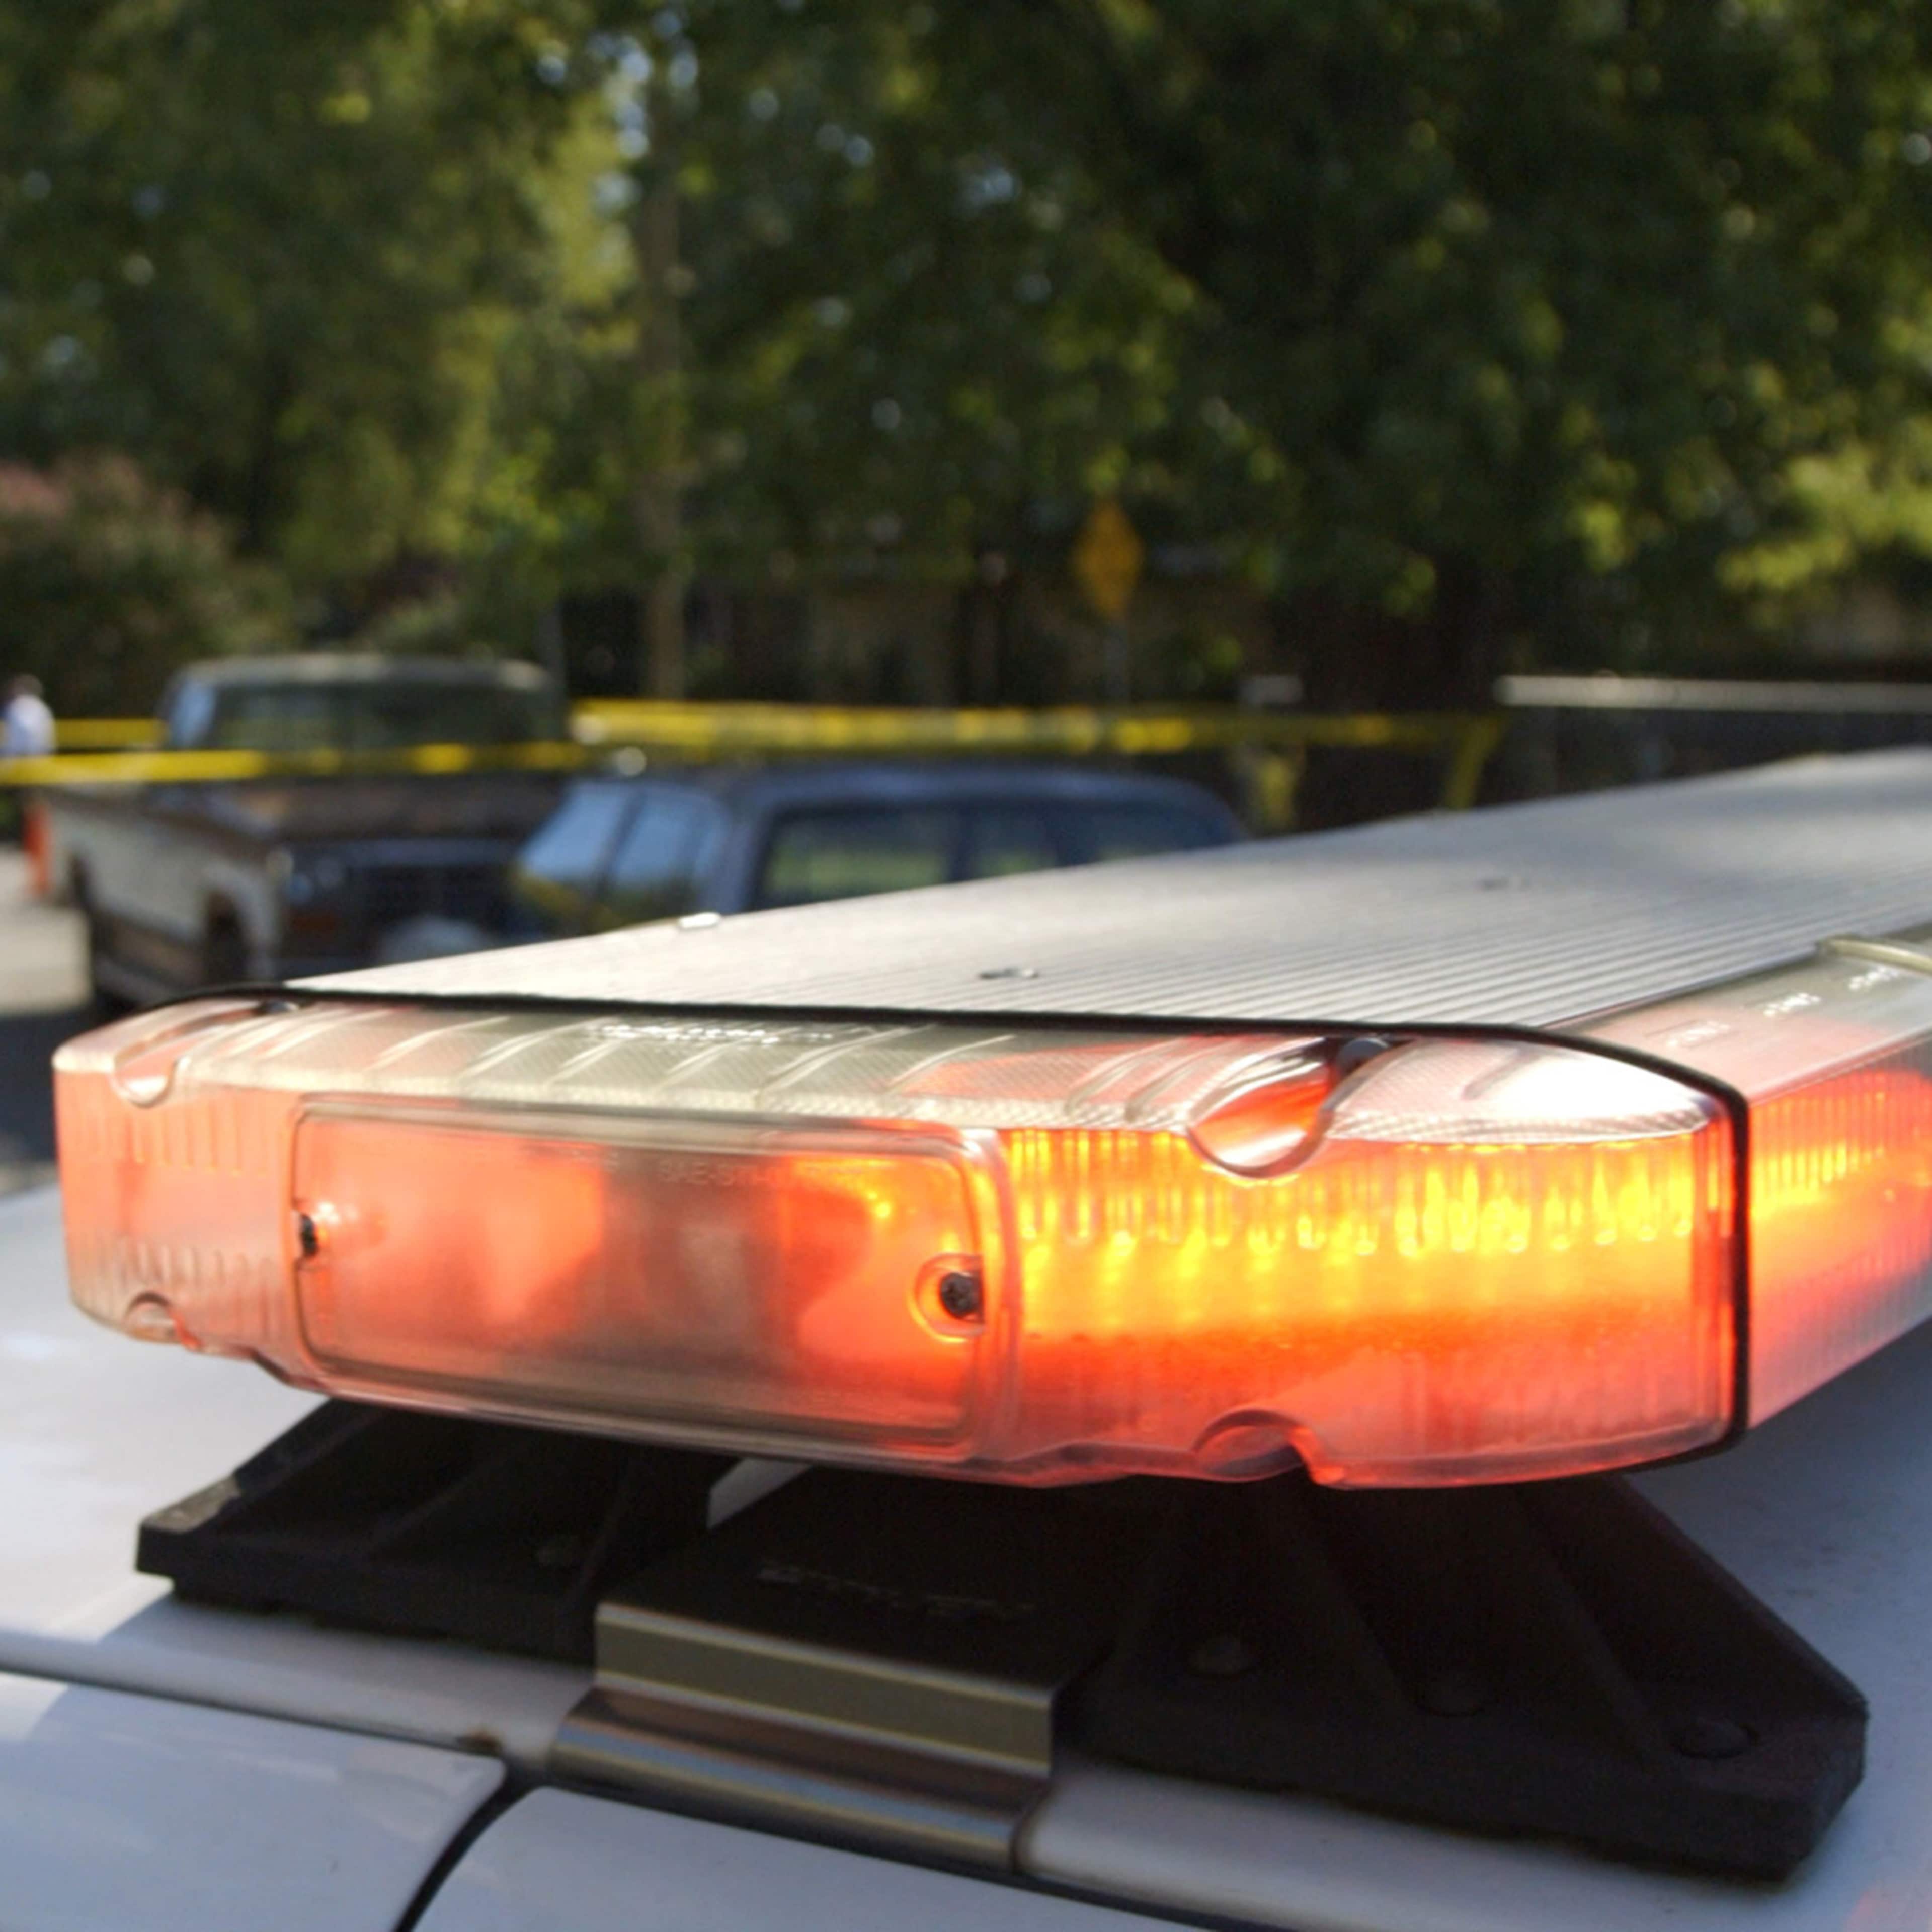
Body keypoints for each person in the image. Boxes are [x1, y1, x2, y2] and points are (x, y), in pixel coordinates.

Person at [2, 675, 54, 758]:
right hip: (39, 754)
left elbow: (24, 730)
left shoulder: (16, 706)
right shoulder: (42, 708)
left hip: (19, 755)